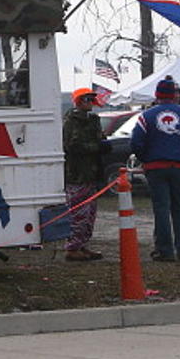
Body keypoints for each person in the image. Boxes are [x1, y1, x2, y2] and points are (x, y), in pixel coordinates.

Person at [130, 76, 180, 262]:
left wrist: (145, 158)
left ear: (157, 95)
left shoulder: (147, 116)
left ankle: (165, 250)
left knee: (161, 209)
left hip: (155, 167)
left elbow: (136, 142)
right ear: (174, 95)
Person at [62, 88, 109, 261]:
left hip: (92, 172)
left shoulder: (93, 120)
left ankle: (82, 244)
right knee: (78, 213)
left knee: (89, 213)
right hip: (77, 173)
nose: (91, 103)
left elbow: (96, 139)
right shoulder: (71, 121)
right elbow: (71, 146)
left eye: (92, 99)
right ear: (79, 101)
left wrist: (102, 143)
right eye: (88, 99)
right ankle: (73, 247)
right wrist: (97, 147)